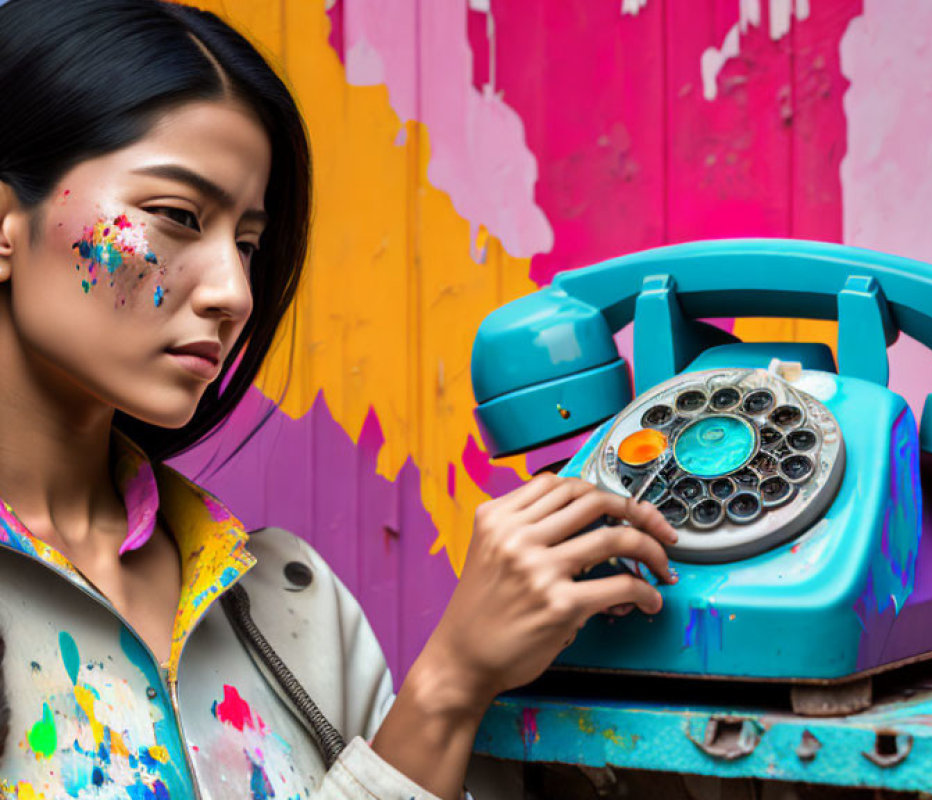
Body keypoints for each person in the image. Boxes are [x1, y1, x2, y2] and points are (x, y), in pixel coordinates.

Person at [0, 1, 678, 798]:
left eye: (247, 244)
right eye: (178, 216)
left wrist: (511, 671)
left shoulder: (291, 601)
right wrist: (445, 687)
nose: (234, 293)